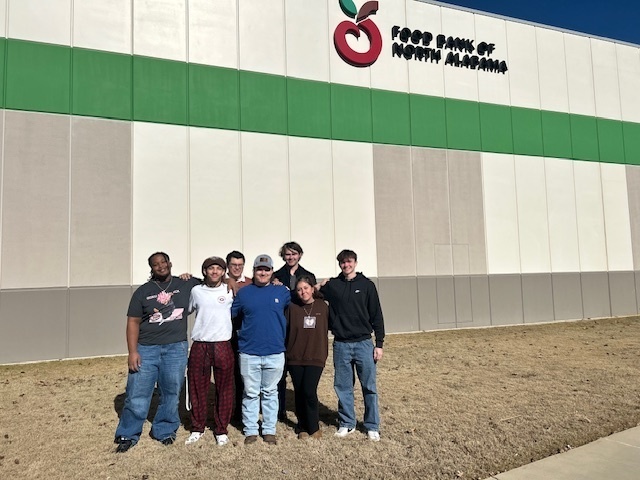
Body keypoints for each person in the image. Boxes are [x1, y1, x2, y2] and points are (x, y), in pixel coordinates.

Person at [114, 252, 201, 453]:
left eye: (163, 262)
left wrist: (231, 283)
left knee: (171, 391)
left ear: (170, 263)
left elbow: (214, 280)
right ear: (151, 268)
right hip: (146, 349)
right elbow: (133, 322)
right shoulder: (143, 292)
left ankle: (165, 429)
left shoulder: (186, 283)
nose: (160, 266)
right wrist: (132, 351)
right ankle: (128, 433)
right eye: (156, 264)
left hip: (175, 348)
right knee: (137, 393)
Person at [319, 249, 385, 441]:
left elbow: (377, 315)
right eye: (342, 262)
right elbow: (310, 291)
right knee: (343, 386)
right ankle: (347, 423)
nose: (346, 265)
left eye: (349, 262)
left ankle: (372, 425)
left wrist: (379, 343)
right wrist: (321, 283)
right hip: (341, 344)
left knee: (369, 387)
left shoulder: (367, 285)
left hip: (364, 343)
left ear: (355, 263)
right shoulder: (333, 285)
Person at [231, 254, 290, 445]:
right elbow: (230, 315)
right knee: (250, 392)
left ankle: (269, 430)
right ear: (254, 271)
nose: (263, 272)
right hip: (249, 352)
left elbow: (303, 298)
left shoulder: (282, 292)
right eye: (259, 269)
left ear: (272, 272)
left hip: (275, 352)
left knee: (270, 392)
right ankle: (250, 430)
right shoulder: (244, 293)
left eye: (266, 269)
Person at [184, 256, 235, 446]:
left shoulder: (230, 289)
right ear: (204, 271)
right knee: (197, 387)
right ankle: (198, 427)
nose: (215, 272)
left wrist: (231, 281)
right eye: (210, 268)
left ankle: (221, 429)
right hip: (200, 344)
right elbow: (187, 310)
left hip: (222, 343)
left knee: (224, 388)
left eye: (219, 269)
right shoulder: (196, 291)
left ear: (224, 272)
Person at [273, 242, 316, 421]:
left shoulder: (308, 276)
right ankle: (279, 409)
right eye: (287, 255)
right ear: (283, 256)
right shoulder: (275, 276)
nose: (291, 257)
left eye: (294, 254)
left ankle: (303, 411)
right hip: (281, 327)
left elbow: (314, 297)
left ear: (300, 255)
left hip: (300, 329)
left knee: (301, 374)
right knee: (279, 374)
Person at [286, 276, 329, 440]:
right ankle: (302, 426)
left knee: (309, 391)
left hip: (316, 356)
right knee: (299, 392)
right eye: (299, 289)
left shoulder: (322, 307)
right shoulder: (292, 307)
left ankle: (314, 426)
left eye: (305, 288)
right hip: (295, 357)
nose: (303, 292)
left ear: (312, 288)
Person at [225, 250, 252, 420]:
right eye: (234, 265)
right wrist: (226, 279)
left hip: (244, 333)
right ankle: (228, 410)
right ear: (228, 266)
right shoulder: (220, 281)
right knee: (228, 374)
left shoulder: (250, 283)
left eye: (240, 265)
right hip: (224, 334)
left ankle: (241, 411)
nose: (237, 268)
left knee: (243, 374)